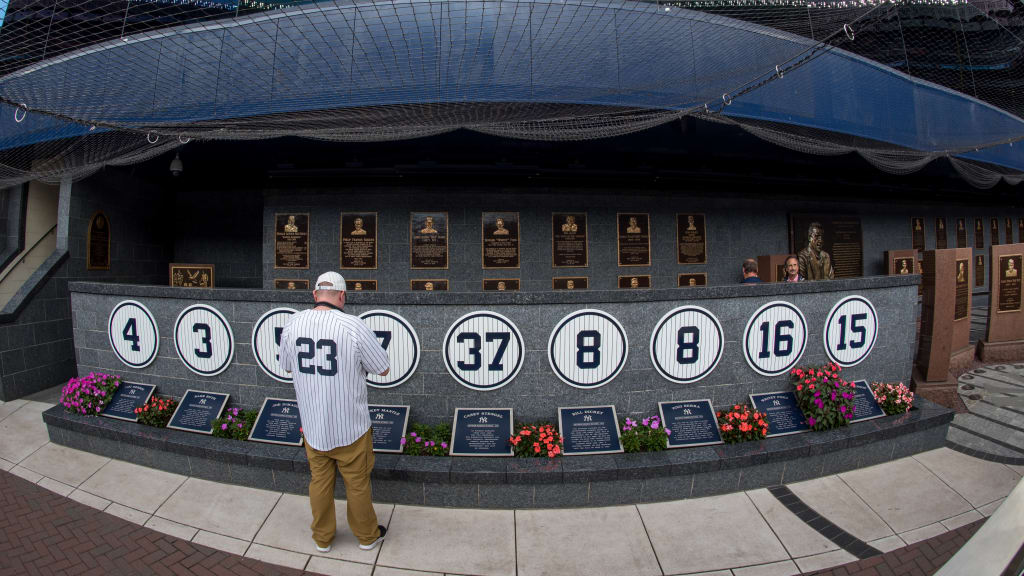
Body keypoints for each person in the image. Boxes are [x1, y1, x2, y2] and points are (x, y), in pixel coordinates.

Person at [279, 272, 391, 554]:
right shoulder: (353, 325)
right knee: (357, 484)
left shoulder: (293, 323)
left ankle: (322, 538)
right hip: (349, 425)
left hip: (313, 425)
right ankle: (366, 537)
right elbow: (383, 367)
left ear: (315, 294)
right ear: (342, 296)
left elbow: (287, 365)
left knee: (319, 482)